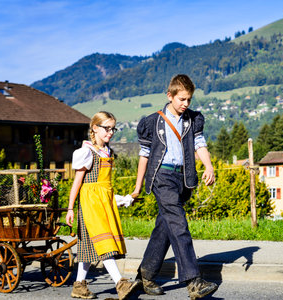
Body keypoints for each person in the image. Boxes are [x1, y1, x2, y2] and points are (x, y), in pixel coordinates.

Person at [131, 74, 218, 299]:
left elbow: (200, 144)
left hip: (183, 178)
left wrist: (208, 166)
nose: (186, 104)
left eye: (189, 100)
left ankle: (146, 275)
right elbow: (144, 155)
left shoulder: (193, 119)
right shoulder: (152, 121)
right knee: (179, 225)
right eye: (182, 99)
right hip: (162, 177)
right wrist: (138, 186)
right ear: (169, 96)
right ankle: (194, 281)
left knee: (165, 226)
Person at [66, 111, 141, 300]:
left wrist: (122, 199)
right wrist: (70, 208)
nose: (110, 132)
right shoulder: (87, 152)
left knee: (88, 247)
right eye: (107, 128)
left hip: (103, 201)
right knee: (105, 243)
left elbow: (104, 187)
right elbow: (78, 182)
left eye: (113, 128)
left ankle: (79, 286)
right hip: (90, 203)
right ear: (95, 128)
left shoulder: (106, 152)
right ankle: (120, 284)